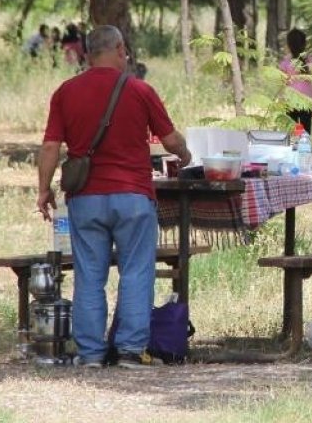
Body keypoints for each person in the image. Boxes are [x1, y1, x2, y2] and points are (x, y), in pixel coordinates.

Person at [36, 25, 192, 369]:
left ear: (88, 54)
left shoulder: (66, 92)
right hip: (133, 198)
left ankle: (90, 353)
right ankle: (129, 352)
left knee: (89, 274)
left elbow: (50, 147)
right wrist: (186, 155)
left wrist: (43, 189)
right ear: (121, 49)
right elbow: (170, 140)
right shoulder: (140, 90)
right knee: (136, 272)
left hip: (85, 199)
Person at [281, 28, 312, 134]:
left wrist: (281, 103)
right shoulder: (311, 61)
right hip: (307, 103)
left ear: (289, 44)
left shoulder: (285, 62)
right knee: (305, 137)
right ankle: (303, 150)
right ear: (304, 43)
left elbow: (282, 86)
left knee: (292, 136)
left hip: (290, 103)